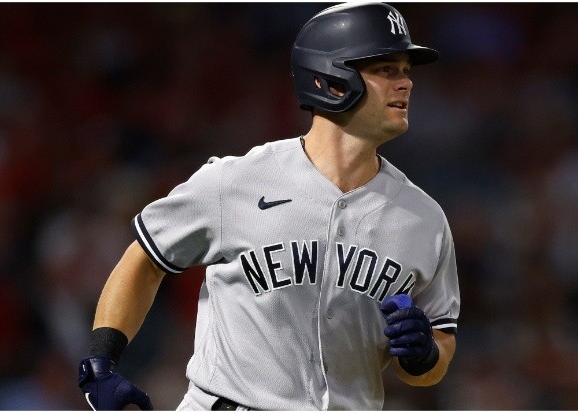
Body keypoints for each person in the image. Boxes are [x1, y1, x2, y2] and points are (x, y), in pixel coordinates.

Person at [78, 2, 460, 410]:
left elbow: (440, 341)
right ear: (332, 77)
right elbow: (147, 256)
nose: (406, 83)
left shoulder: (424, 219)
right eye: (387, 70)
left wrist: (426, 355)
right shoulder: (236, 181)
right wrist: (101, 361)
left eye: (406, 70)